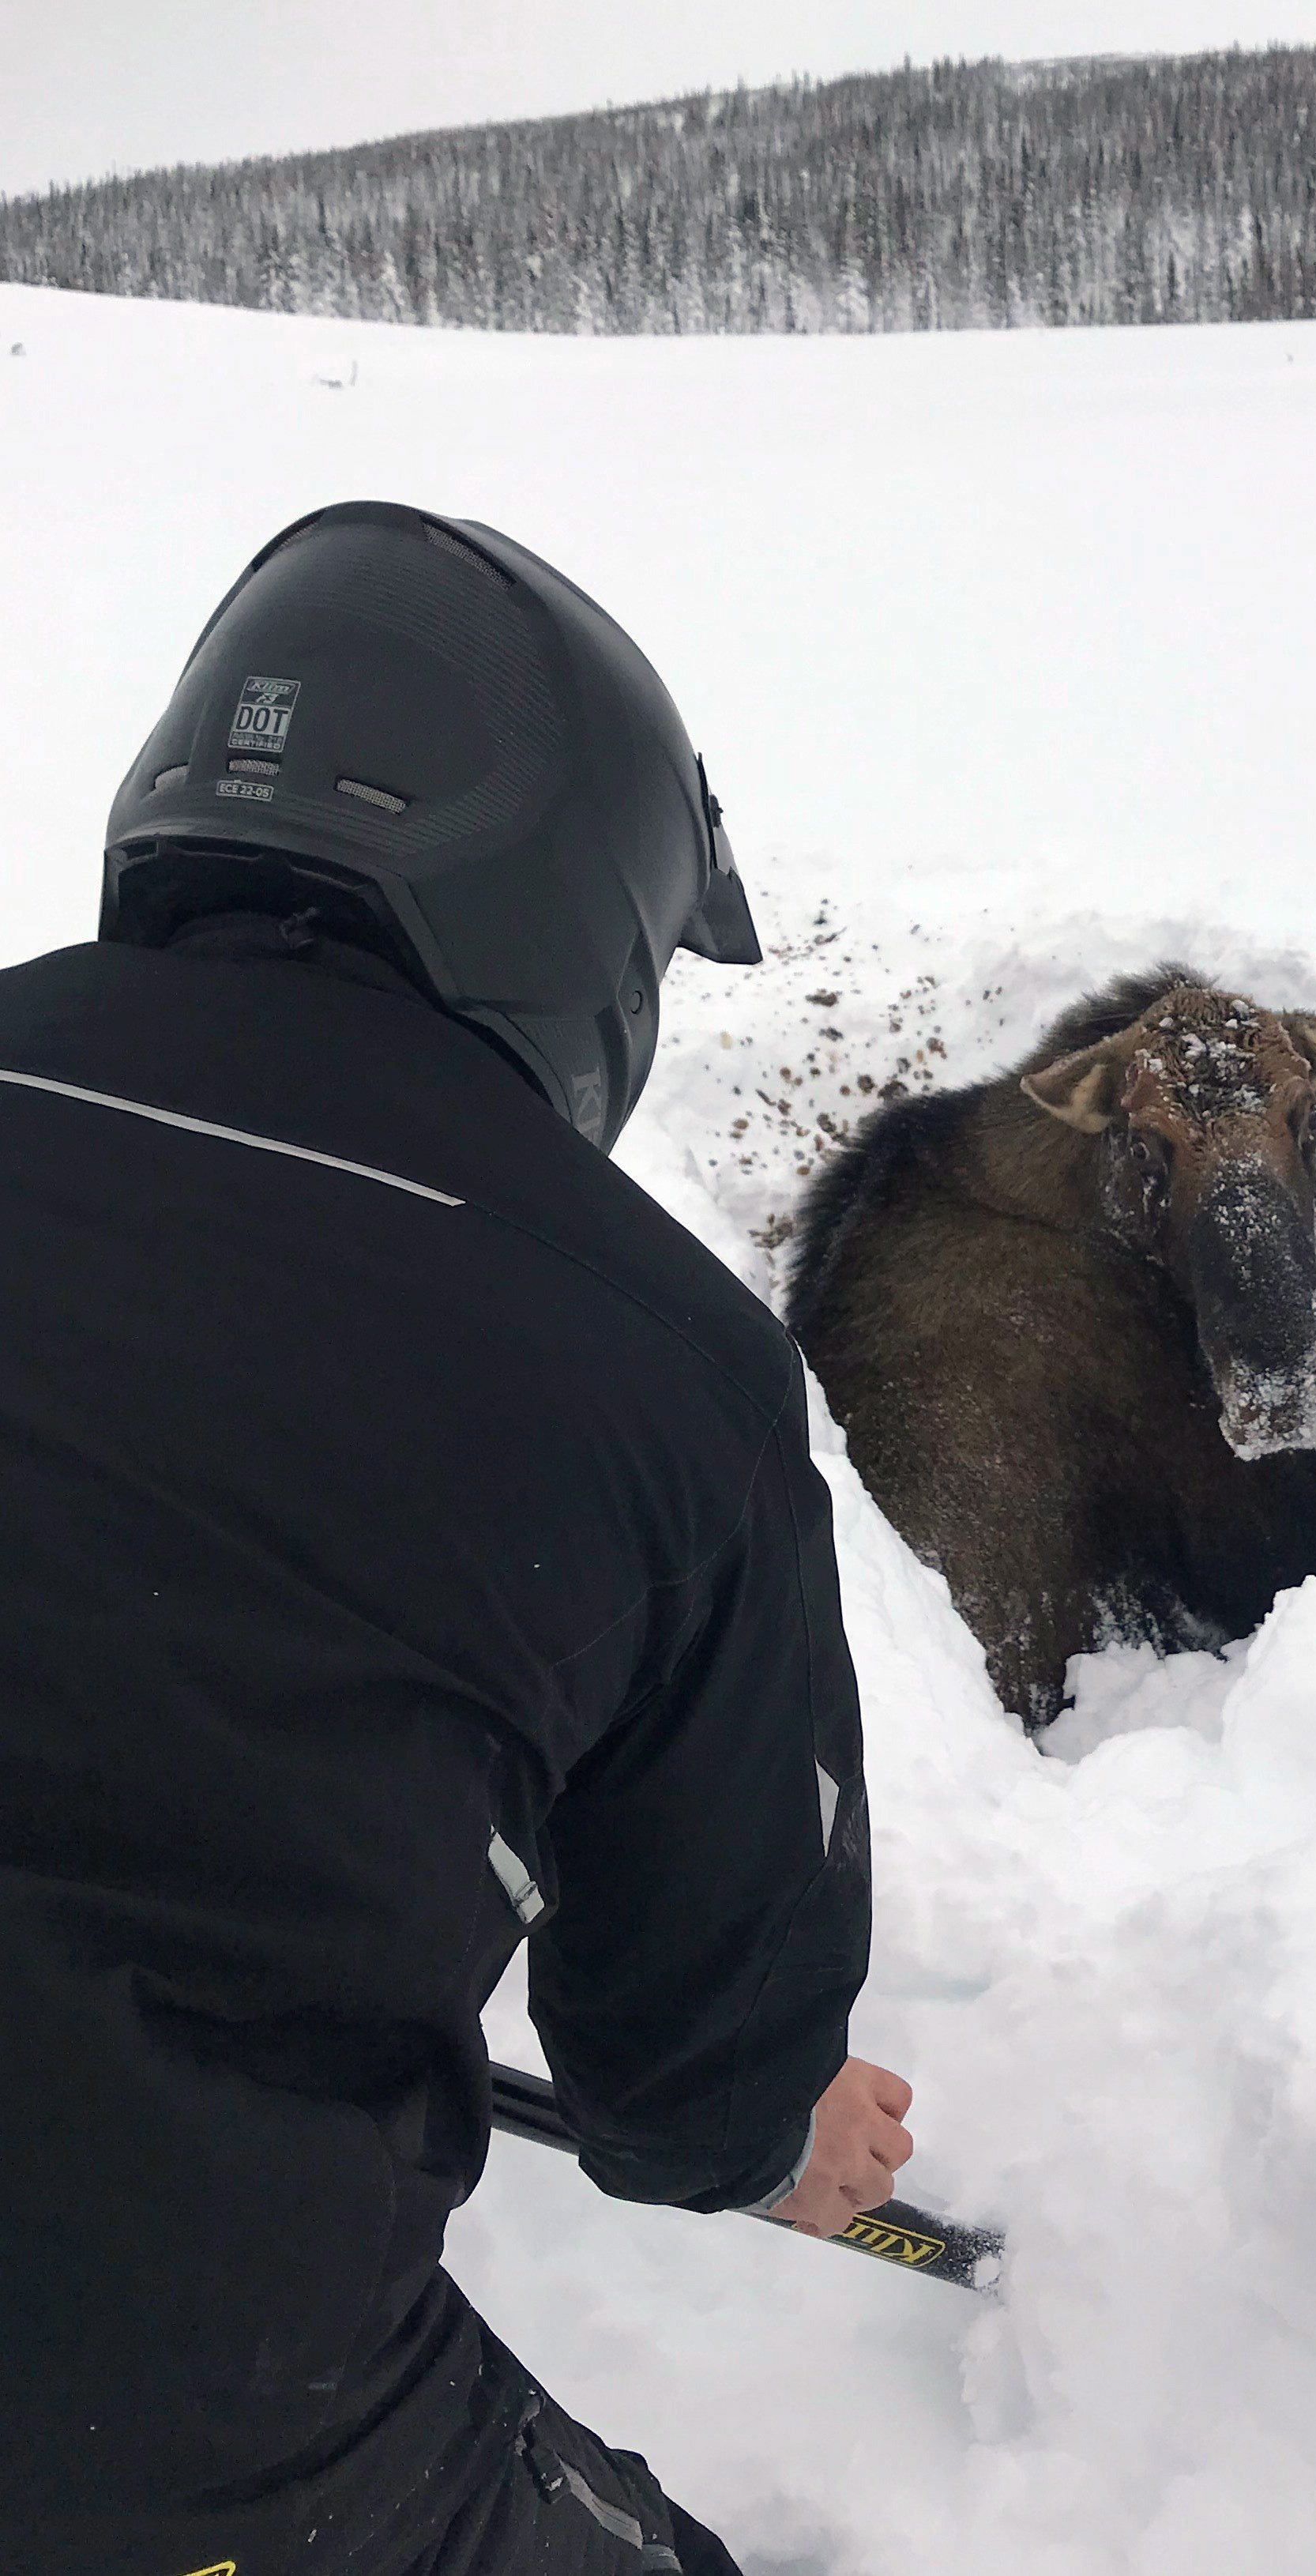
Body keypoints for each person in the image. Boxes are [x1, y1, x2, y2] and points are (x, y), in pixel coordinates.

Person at [0, 500, 913, 2574]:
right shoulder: (662, 1372)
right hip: (139, 2420)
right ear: (574, 897)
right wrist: (772, 2129)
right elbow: (684, 2080)